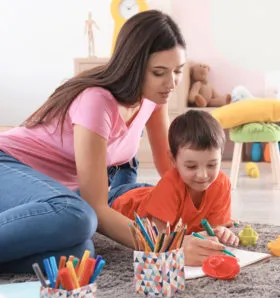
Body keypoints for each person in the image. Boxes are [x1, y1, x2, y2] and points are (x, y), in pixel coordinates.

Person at [0, 10, 186, 273]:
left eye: (178, 70)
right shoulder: (97, 101)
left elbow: (170, 168)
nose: (172, 82)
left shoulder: (153, 100)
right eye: (159, 72)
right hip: (6, 164)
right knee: (79, 216)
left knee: (81, 254)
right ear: (133, 65)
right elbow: (96, 208)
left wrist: (209, 215)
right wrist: (167, 247)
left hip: (47, 193)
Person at [110, 110, 239, 266]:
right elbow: (159, 241)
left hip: (151, 193)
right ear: (173, 160)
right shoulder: (170, 185)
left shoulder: (221, 183)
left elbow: (213, 228)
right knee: (101, 195)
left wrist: (220, 232)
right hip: (122, 200)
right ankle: (124, 163)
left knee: (157, 192)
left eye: (212, 165)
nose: (203, 175)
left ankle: (125, 166)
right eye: (191, 166)